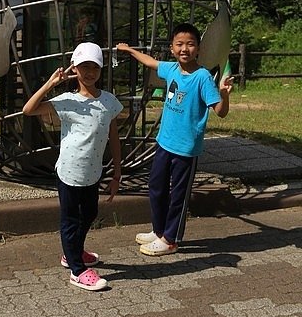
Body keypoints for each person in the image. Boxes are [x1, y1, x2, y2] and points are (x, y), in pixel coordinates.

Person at [117, 23, 234, 256]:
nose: (185, 49)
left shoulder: (202, 77)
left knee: (178, 194)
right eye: (179, 44)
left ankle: (170, 238)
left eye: (190, 44)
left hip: (185, 148)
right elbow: (151, 62)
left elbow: (220, 111)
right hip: (164, 142)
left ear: (198, 49)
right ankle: (158, 229)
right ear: (171, 48)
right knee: (156, 187)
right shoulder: (171, 69)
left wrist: (222, 94)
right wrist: (130, 51)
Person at [22, 42, 123, 291]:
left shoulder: (109, 102)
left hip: (93, 173)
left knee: (88, 214)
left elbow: (113, 137)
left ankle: (72, 253)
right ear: (74, 69)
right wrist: (51, 83)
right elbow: (28, 110)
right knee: (70, 220)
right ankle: (77, 271)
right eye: (83, 67)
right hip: (69, 172)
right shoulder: (67, 100)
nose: (89, 72)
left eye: (94, 67)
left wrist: (117, 172)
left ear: (101, 70)